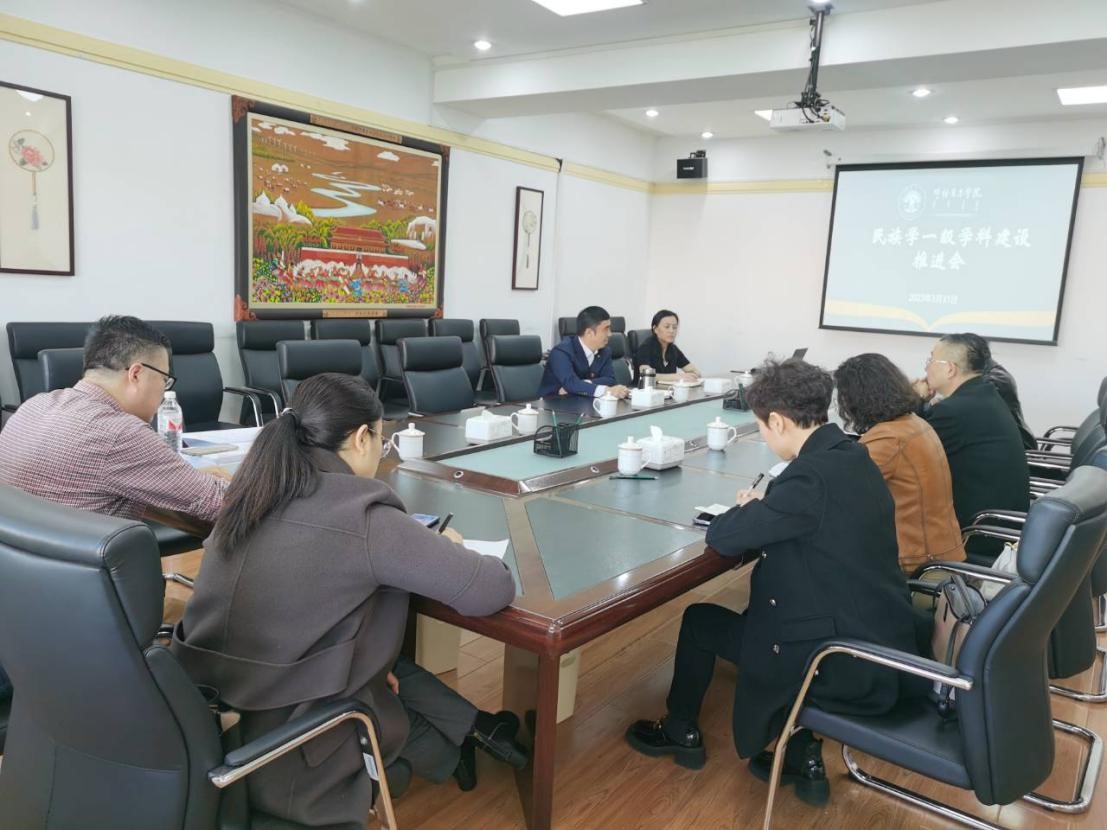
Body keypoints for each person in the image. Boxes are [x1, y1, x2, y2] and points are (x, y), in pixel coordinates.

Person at [171, 373, 525, 828]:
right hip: (292, 751)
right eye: (381, 440)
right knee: (379, 672)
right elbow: (490, 590)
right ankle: (457, 748)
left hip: (203, 718)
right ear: (361, 438)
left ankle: (470, 737)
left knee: (382, 662)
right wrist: (451, 546)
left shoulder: (252, 491)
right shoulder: (363, 515)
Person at [625, 359, 920, 807]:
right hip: (877, 636)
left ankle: (680, 729)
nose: (764, 435)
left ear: (778, 421)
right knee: (783, 607)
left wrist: (751, 509)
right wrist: (770, 505)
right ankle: (802, 755)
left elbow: (724, 537)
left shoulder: (808, 478)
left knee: (700, 621)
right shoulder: (852, 456)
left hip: (838, 660)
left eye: (763, 426)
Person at [0, 315, 227, 521]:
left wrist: (186, 477)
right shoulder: (121, 433)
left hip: (22, 551)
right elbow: (221, 503)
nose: (163, 391)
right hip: (92, 553)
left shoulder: (33, 406)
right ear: (136, 374)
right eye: (164, 380)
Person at [835, 353, 966, 575]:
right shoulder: (913, 423)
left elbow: (837, 491)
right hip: (942, 554)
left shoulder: (889, 439)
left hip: (918, 569)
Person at [913, 333, 1031, 562]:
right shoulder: (984, 395)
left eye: (931, 360)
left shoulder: (954, 411)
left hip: (977, 532)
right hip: (1000, 523)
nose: (926, 368)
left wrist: (915, 401)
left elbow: (909, 449)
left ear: (950, 369)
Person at [960, 333, 1036, 450]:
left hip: (1014, 448)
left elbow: (969, 405)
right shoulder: (986, 373)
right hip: (998, 443)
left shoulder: (996, 379)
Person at [537, 306, 630, 398]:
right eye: (606, 329)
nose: (610, 334)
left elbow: (611, 380)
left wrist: (581, 384)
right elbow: (570, 382)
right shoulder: (561, 352)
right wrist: (606, 390)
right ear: (589, 333)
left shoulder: (605, 351)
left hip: (583, 401)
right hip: (554, 402)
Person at [632, 309, 700, 385]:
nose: (671, 331)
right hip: (644, 390)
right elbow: (646, 375)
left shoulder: (673, 349)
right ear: (655, 329)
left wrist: (690, 376)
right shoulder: (645, 347)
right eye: (667, 327)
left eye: (674, 327)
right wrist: (676, 377)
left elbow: (696, 372)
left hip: (667, 390)